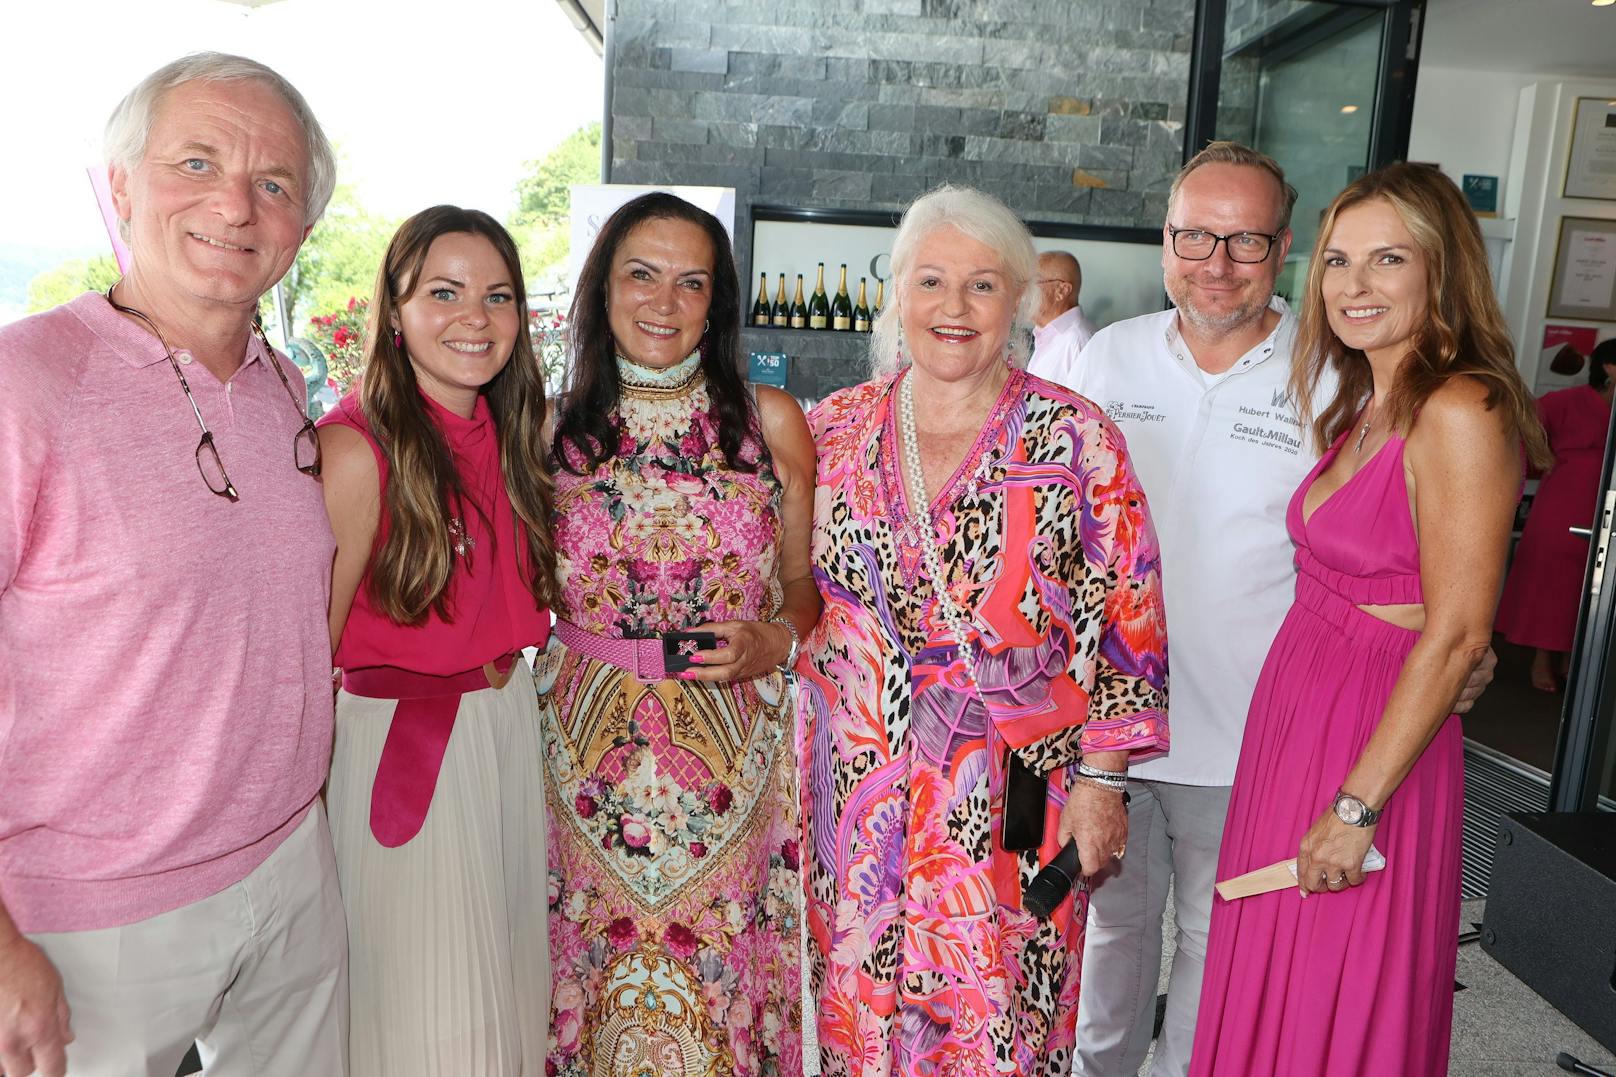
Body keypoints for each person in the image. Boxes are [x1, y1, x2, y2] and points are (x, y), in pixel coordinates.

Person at [1068, 141, 1494, 1077]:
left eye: (1246, 239)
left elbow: (1423, 562)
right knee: (1107, 951)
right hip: (1107, 729)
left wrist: (1461, 646)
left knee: (1226, 963)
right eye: (1194, 235)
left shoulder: (1337, 371)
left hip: (1253, 732)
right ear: (1165, 238)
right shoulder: (1106, 355)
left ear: (1283, 247)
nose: (1216, 261)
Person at [0, 53, 345, 1076]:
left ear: (303, 226)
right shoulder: (27, 384)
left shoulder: (285, 386)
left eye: (272, 183)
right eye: (194, 163)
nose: (234, 206)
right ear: (120, 187)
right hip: (88, 915)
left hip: (290, 875)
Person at [800, 184, 1169, 1075]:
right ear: (897, 294)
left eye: (982, 284)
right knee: (856, 1013)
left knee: (1001, 1012)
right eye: (931, 282)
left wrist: (1104, 783)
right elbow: (778, 587)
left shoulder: (1076, 437)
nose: (954, 308)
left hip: (1016, 792)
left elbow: (1131, 616)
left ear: (1022, 299)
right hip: (856, 792)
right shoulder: (833, 427)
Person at [1190, 163, 1549, 1076]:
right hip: (1297, 720)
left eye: (1387, 259)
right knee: (1272, 964)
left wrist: (1357, 806)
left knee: (1335, 980)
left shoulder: (1462, 406)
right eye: (1339, 261)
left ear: (1442, 270)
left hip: (1368, 744)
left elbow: (1461, 633)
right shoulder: (1366, 400)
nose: (1354, 286)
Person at [538, 191, 818, 1077]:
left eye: (691, 282)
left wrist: (777, 639)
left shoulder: (769, 420)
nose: (664, 302)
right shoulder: (547, 429)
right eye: (642, 275)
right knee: (590, 981)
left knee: (718, 985)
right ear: (603, 288)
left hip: (731, 758)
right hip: (583, 758)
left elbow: (804, 587)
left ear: (716, 303)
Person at [318, 206, 557, 1075]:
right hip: (405, 746)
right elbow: (310, 656)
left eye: (498, 296)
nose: (476, 317)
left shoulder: (519, 433)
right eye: (445, 292)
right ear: (394, 308)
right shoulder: (355, 448)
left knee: (506, 1003)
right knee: (431, 1025)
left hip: (505, 726)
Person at [1496, 337, 1616, 691]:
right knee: (1553, 579)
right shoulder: (1563, 401)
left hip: (1605, 501)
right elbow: (1521, 439)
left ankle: (1570, 658)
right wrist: (1545, 462)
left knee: (1590, 584)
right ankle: (1542, 659)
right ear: (1609, 367)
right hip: (1564, 500)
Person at [1026, 249, 1099, 385]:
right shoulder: (1048, 335)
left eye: (1032, 283)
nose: (1024, 291)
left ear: (1062, 291)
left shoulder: (1079, 341)